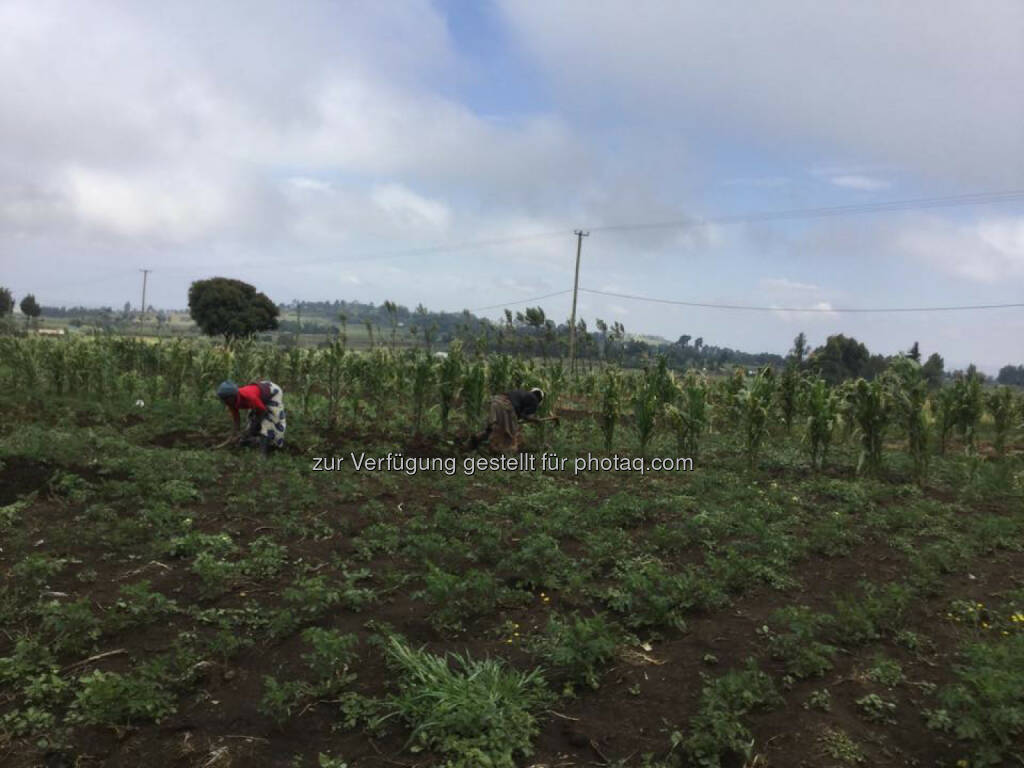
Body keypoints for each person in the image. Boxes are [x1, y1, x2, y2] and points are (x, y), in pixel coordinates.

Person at [471, 387, 557, 452]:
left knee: (494, 427)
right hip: (506, 406)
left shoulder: (522, 393)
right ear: (539, 398)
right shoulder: (534, 400)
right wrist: (534, 420)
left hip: (496, 401)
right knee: (509, 434)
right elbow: (524, 415)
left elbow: (519, 412)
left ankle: (476, 439)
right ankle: (500, 452)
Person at [216, 379, 286, 455]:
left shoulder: (249, 396)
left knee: (268, 422)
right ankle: (256, 440)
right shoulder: (230, 403)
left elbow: (263, 411)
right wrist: (234, 434)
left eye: (225, 399)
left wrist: (254, 425)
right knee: (251, 423)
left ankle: (263, 454)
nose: (224, 401)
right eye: (223, 399)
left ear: (232, 396)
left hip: (272, 392)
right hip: (258, 395)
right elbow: (236, 420)